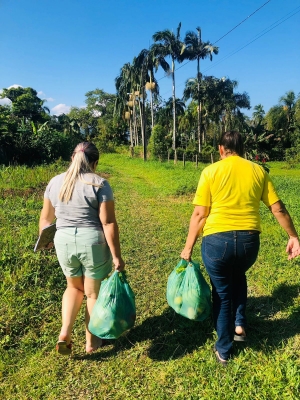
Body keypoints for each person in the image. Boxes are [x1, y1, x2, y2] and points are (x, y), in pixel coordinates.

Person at [180, 131, 300, 366]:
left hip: (216, 243)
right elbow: (278, 209)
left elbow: (199, 214)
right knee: (239, 275)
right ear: (243, 149)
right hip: (248, 244)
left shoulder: (210, 171)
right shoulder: (258, 171)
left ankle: (224, 349)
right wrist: (293, 236)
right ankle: (239, 325)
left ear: (221, 150)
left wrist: (188, 248)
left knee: (222, 293)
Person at [39, 142, 125, 355]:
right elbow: (107, 222)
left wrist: (45, 238)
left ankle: (64, 332)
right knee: (92, 294)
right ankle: (91, 341)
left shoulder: (55, 182)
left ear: (72, 158)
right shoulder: (99, 183)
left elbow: (46, 218)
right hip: (92, 240)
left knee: (73, 288)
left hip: (63, 240)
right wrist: (117, 257)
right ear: (94, 162)